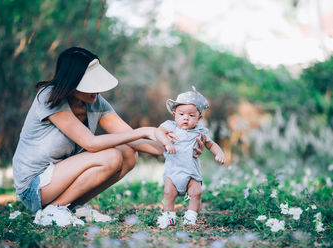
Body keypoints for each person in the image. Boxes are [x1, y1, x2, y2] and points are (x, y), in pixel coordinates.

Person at [12, 47, 205, 220]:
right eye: (90, 84)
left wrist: (180, 147)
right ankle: (54, 209)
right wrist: (144, 131)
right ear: (72, 81)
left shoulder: (95, 102)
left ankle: (71, 206)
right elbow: (91, 143)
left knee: (128, 153)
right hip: (34, 187)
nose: (96, 90)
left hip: (61, 176)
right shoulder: (48, 97)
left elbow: (133, 140)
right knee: (111, 156)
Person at [155, 87, 225, 228]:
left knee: (196, 192)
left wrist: (219, 153)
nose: (185, 118)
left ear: (199, 118)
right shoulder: (171, 127)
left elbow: (211, 144)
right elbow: (158, 132)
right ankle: (169, 217)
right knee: (169, 193)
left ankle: (190, 216)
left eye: (191, 115)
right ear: (174, 114)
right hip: (173, 171)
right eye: (181, 114)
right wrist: (167, 142)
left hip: (191, 172)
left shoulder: (200, 131)